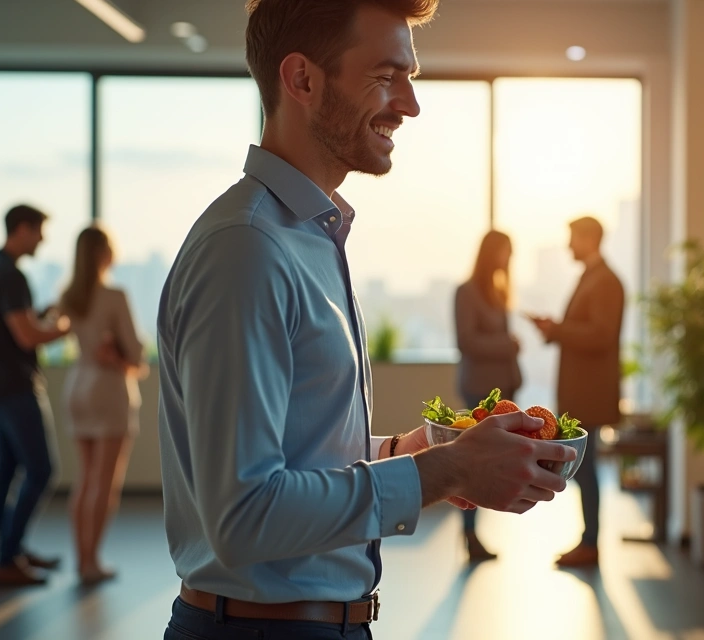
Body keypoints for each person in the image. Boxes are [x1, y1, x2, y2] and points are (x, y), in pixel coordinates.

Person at [156, 2, 577, 639]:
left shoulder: (307, 235)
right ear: (301, 80)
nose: (409, 105)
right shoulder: (248, 249)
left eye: (408, 76)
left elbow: (303, 452)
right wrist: (446, 472)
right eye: (385, 76)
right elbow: (242, 515)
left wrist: (414, 452)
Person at [0, 204, 69, 586]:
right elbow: (26, 336)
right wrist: (63, 327)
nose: (42, 239)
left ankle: (7, 551)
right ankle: (7, 556)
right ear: (23, 229)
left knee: (8, 471)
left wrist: (39, 318)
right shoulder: (11, 276)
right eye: (39, 230)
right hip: (15, 388)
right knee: (42, 470)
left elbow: (14, 326)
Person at [528, 216, 625, 568]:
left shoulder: (605, 282)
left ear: (588, 238)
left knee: (587, 469)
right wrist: (556, 330)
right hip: (584, 392)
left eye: (572, 238)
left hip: (591, 395)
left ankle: (590, 543)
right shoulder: (593, 278)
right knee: (586, 469)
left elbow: (600, 335)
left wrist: (558, 329)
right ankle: (588, 541)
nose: (569, 246)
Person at [57, 226, 147, 585]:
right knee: (105, 484)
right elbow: (137, 354)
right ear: (103, 253)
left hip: (78, 386)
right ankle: (91, 562)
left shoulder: (69, 296)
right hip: (108, 389)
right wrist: (124, 357)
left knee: (85, 480)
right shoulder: (114, 295)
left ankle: (82, 559)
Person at [453, 230, 521, 563]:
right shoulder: (467, 292)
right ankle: (468, 532)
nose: (508, 260)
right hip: (479, 388)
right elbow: (467, 341)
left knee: (490, 463)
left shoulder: (497, 290)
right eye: (504, 252)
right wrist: (508, 346)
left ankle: (473, 532)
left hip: (501, 389)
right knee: (473, 462)